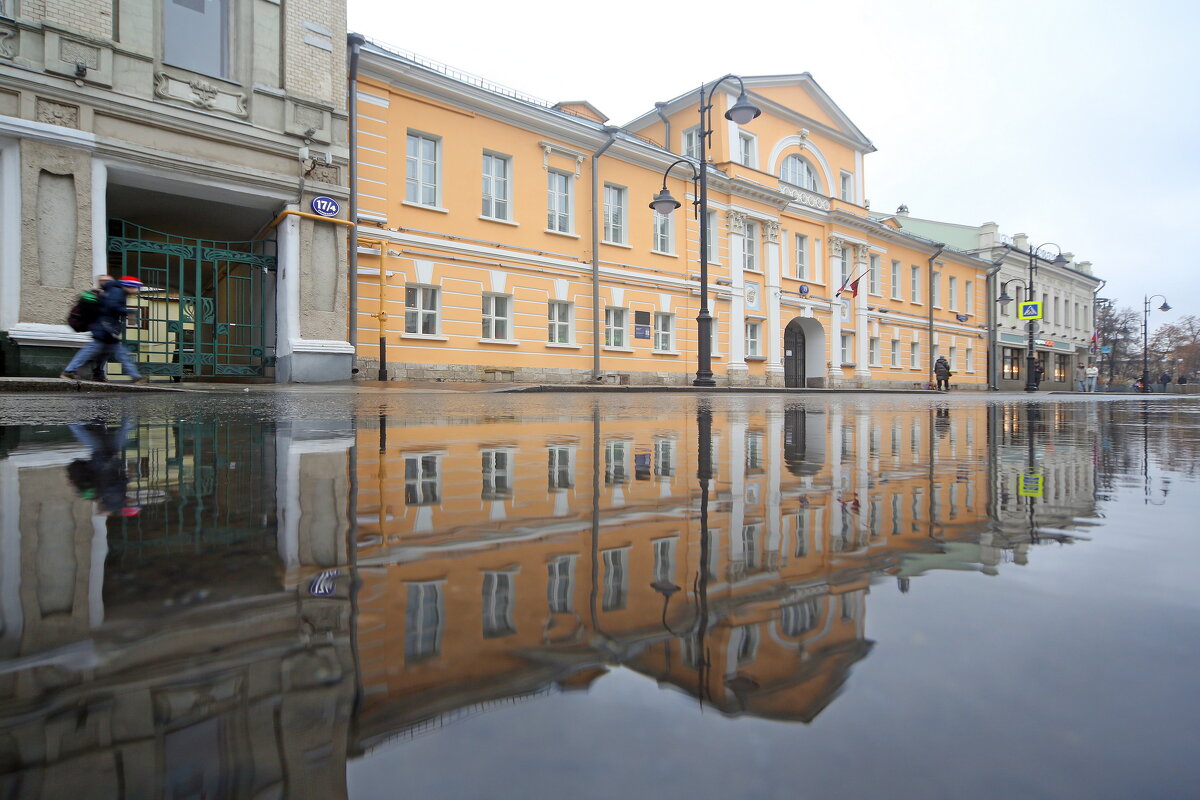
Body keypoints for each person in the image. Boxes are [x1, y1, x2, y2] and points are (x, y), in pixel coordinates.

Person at [61, 275, 147, 383]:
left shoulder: (117, 291)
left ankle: (135, 376)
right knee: (93, 350)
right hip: (105, 328)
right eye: (136, 287)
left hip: (107, 328)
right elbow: (111, 306)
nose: (137, 290)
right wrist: (127, 311)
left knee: (117, 353)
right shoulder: (117, 292)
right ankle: (70, 370)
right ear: (129, 286)